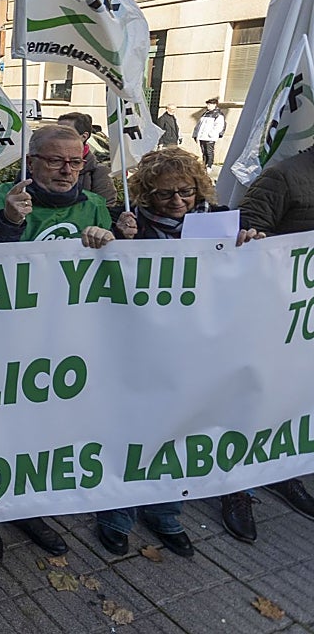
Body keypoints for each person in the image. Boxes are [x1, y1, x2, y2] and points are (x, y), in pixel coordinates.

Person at [0, 125, 118, 563]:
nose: (66, 170)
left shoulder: (96, 209)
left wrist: (113, 243)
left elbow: (112, 281)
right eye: (55, 161)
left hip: (59, 342)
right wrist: (8, 222)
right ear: (31, 162)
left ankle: (27, 506)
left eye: (75, 162)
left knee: (37, 430)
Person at [98, 148, 263, 557]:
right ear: (146, 193)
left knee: (182, 431)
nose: (176, 202)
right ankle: (118, 515)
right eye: (164, 194)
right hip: (141, 347)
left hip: (199, 349)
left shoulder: (222, 221)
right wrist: (119, 240)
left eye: (185, 192)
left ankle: (166, 512)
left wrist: (251, 246)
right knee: (135, 431)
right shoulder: (130, 222)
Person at [224, 147, 314, 542]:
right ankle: (233, 486)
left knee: (292, 396)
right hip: (271, 310)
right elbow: (246, 235)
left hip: (305, 318)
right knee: (250, 395)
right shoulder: (284, 176)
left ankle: (281, 470)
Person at [57, 112, 117, 207]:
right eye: (57, 132)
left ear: (84, 136)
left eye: (67, 134)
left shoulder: (99, 171)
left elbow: (104, 209)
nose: (59, 138)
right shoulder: (45, 165)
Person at [193, 98, 225, 169]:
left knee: (209, 152)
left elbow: (218, 126)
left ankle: (209, 165)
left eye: (209, 104)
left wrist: (211, 134)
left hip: (209, 137)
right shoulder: (205, 114)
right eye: (207, 104)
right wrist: (195, 134)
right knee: (204, 152)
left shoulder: (218, 114)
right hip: (202, 136)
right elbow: (199, 125)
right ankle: (204, 164)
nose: (208, 106)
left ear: (214, 105)